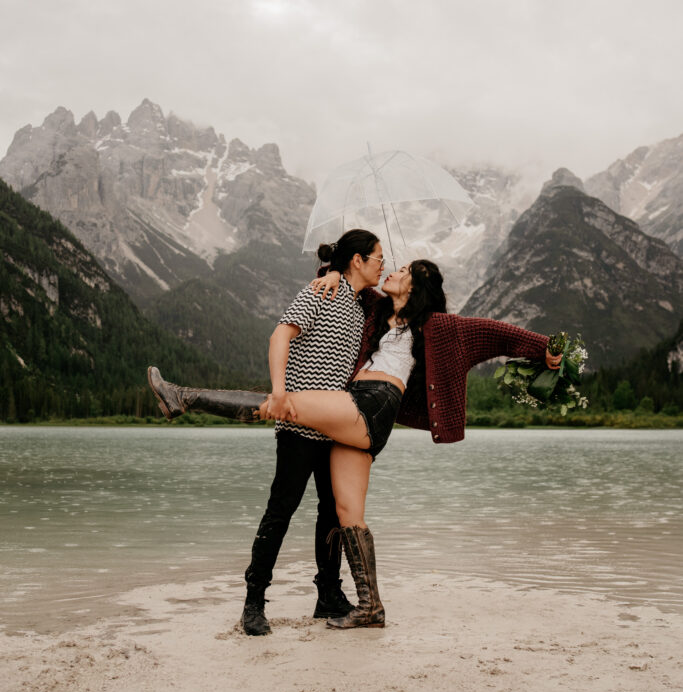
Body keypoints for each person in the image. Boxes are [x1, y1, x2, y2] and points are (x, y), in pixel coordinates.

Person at [149, 257, 563, 631]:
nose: (392, 271)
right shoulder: (375, 311)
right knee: (348, 513)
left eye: (402, 271)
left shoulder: (441, 327)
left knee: (285, 403)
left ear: (417, 286)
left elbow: (496, 334)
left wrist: (546, 350)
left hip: (372, 405)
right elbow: (344, 284)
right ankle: (370, 607)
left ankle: (184, 397)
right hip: (356, 415)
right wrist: (330, 270)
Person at [148, 229, 384, 637]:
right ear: (358, 260)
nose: (384, 262)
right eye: (378, 256)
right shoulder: (320, 294)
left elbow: (399, 297)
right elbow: (280, 335)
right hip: (297, 426)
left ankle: (328, 594)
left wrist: (333, 272)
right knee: (282, 510)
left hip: (335, 430)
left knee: (331, 514)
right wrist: (278, 391)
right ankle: (253, 602)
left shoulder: (360, 303)